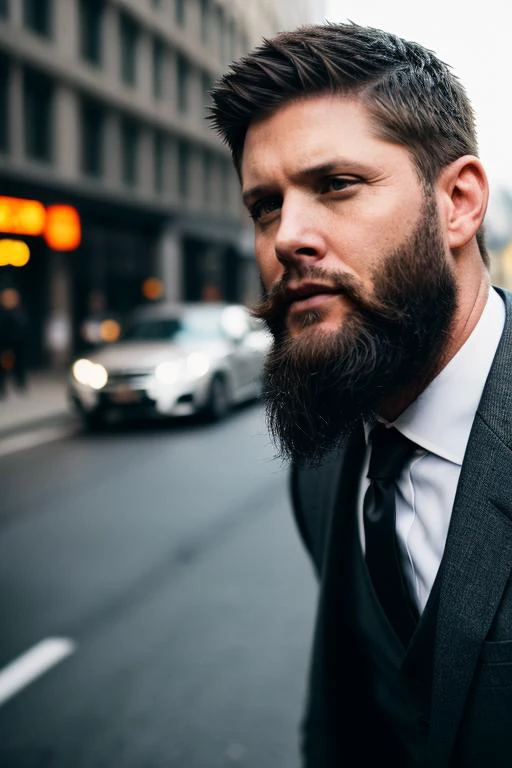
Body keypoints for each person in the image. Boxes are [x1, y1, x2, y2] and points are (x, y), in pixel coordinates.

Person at [209, 22, 512, 768]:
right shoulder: (321, 463)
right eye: (265, 207)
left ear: (458, 203)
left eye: (336, 185)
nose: (287, 238)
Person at [0, 287, 29, 396]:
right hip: (6, 346)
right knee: (4, 367)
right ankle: (2, 388)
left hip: (17, 345)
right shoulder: (3, 312)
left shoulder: (18, 311)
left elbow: (23, 327)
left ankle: (20, 385)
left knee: (19, 366)